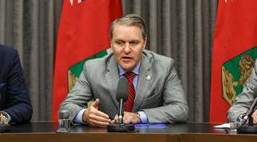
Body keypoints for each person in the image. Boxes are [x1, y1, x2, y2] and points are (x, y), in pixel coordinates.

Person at [59, 14, 189, 126]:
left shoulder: (163, 67)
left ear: (144, 43)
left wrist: (139, 116)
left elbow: (180, 109)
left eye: (133, 43)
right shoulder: (93, 68)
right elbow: (66, 107)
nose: (126, 50)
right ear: (111, 43)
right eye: (120, 42)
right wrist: (85, 115)